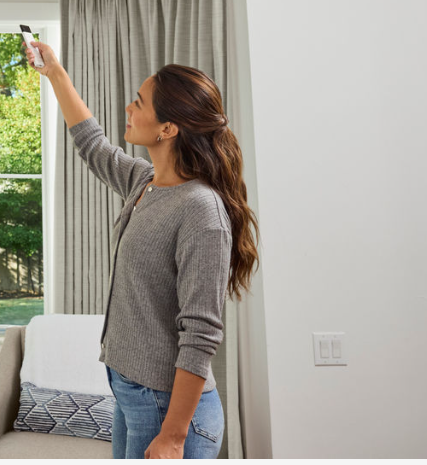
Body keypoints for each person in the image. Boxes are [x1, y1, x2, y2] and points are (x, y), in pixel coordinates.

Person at [26, 40, 260, 459]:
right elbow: (92, 144)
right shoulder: (145, 182)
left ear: (168, 128)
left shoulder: (200, 210)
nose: (128, 109)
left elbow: (201, 335)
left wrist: (172, 437)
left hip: (168, 409)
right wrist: (55, 73)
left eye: (139, 102)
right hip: (134, 393)